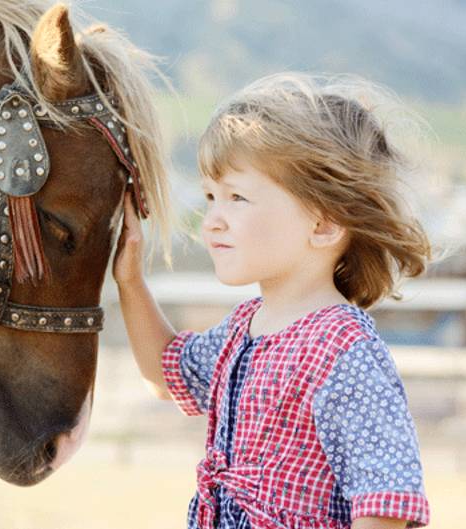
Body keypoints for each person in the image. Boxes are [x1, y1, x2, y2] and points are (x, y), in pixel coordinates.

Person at [114, 73, 432, 529]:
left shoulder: (343, 350)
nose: (212, 222)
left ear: (323, 224)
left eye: (237, 197)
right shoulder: (241, 328)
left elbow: (384, 501)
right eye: (210, 197)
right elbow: (166, 374)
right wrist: (131, 281)